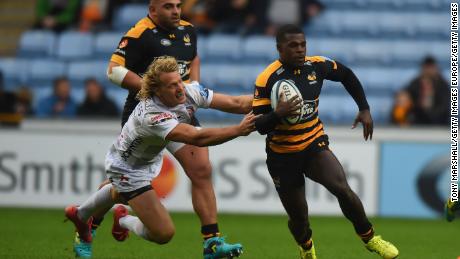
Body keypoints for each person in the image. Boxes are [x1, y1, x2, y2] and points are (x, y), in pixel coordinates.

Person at [95, 1, 252, 258]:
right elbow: (113, 71)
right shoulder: (139, 33)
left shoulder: (188, 30)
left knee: (202, 169)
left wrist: (192, 86)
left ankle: (211, 241)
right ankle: (92, 218)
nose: (176, 11)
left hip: (179, 109)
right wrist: (152, 91)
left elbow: (194, 57)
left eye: (178, 5)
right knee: (123, 184)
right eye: (168, 6)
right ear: (153, 8)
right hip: (145, 117)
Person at [65, 56, 255, 258]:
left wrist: (269, 99)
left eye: (179, 81)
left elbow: (237, 103)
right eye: (172, 86)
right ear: (157, 91)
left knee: (117, 192)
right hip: (127, 169)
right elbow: (197, 138)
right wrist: (239, 129)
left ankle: (80, 214)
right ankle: (120, 220)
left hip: (148, 159)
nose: (180, 88)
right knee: (164, 233)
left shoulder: (188, 91)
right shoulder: (152, 115)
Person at [251, 24, 399, 259]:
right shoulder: (267, 78)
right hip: (282, 156)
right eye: (293, 45)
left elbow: (346, 75)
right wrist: (279, 113)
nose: (300, 50)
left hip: (313, 145)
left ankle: (371, 239)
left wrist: (364, 108)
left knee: (342, 189)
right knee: (299, 217)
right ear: (279, 48)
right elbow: (258, 126)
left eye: (303, 44)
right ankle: (306, 247)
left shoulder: (317, 65)